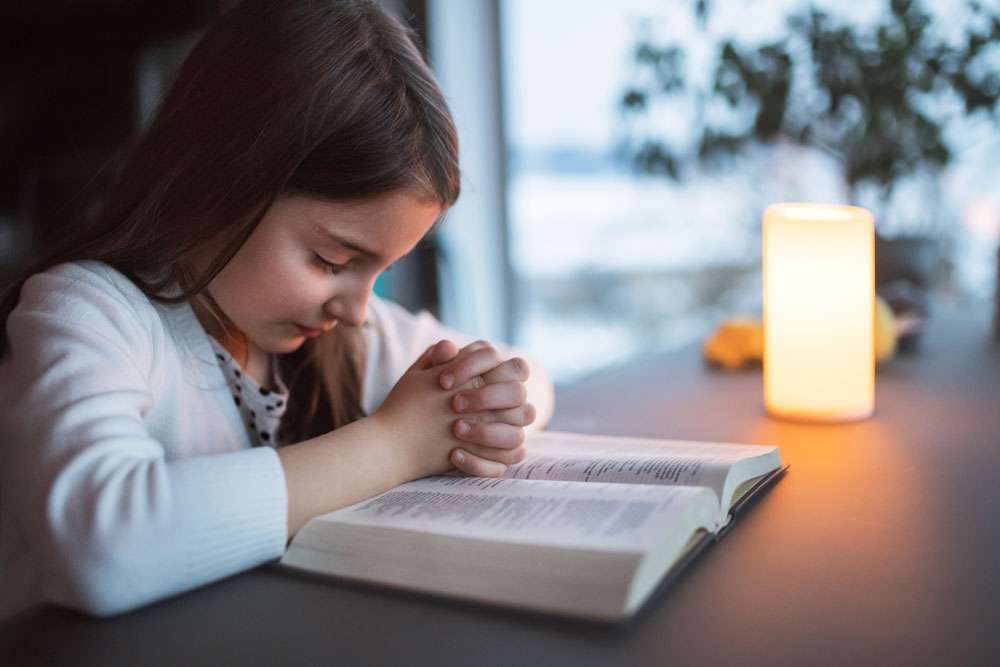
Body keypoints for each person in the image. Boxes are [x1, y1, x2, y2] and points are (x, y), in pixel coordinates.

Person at [0, 0, 553, 619]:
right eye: (332, 260)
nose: (356, 308)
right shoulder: (87, 314)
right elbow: (101, 547)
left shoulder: (335, 339)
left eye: (382, 271)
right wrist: (395, 444)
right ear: (222, 179)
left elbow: (530, 375)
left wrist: (485, 405)